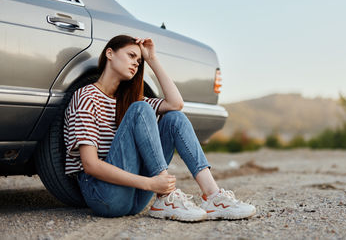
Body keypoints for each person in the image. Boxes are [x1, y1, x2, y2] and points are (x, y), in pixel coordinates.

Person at [64, 35, 256, 221]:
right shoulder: (86, 97)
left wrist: (152, 59)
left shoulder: (129, 100)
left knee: (174, 118)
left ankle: (212, 196)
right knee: (141, 108)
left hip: (135, 198)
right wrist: (151, 183)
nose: (136, 64)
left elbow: (176, 104)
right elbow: (90, 165)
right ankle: (167, 196)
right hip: (104, 195)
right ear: (110, 53)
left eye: (139, 61)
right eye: (131, 56)